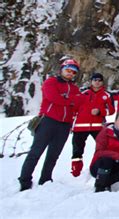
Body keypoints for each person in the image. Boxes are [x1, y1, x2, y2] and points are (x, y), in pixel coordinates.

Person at [18, 59, 82, 191]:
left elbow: (77, 104)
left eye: (73, 72)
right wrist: (70, 100)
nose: (70, 73)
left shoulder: (75, 88)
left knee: (54, 154)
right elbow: (54, 98)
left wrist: (69, 100)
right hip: (48, 121)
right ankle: (25, 179)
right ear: (62, 70)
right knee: (36, 152)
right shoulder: (51, 82)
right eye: (68, 70)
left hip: (65, 124)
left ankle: (46, 179)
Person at [70, 73, 115, 177]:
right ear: (91, 81)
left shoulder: (107, 95)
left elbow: (111, 110)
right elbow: (74, 109)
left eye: (99, 80)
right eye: (95, 80)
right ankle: (76, 172)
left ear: (102, 82)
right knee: (77, 150)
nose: (97, 82)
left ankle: (99, 167)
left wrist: (100, 111)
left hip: (97, 126)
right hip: (80, 126)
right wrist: (71, 124)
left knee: (103, 147)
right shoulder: (83, 93)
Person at [89, 111, 119, 192]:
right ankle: (99, 187)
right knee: (107, 160)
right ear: (115, 121)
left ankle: (107, 182)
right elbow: (100, 152)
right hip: (99, 166)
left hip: (115, 165)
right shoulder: (105, 132)